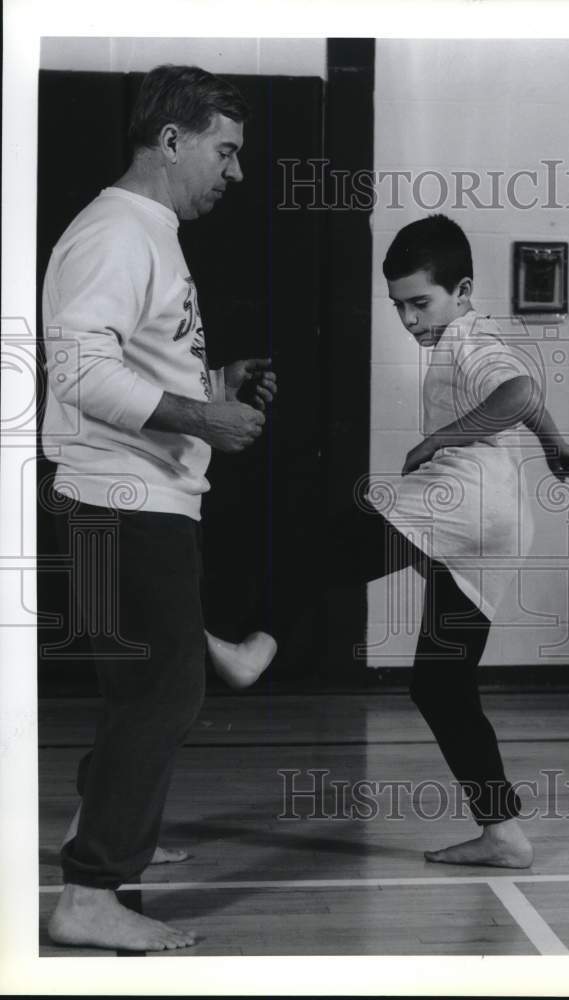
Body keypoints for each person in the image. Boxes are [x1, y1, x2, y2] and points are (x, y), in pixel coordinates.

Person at [42, 65, 276, 952]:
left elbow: (125, 361)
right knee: (166, 692)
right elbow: (82, 374)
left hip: (121, 493)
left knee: (137, 687)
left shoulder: (147, 231)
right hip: (125, 497)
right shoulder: (118, 234)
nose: (236, 170)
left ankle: (90, 840)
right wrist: (204, 414)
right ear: (171, 140)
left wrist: (212, 383)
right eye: (226, 151)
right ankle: (93, 891)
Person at [325, 214, 569, 866]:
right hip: (498, 527)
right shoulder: (465, 341)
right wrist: (554, 443)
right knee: (441, 685)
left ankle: (254, 646)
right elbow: (523, 401)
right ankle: (503, 834)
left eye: (421, 303)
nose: (410, 320)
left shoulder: (467, 341)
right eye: (399, 307)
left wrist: (436, 439)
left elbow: (520, 388)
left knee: (325, 552)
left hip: (462, 506)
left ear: (463, 292)